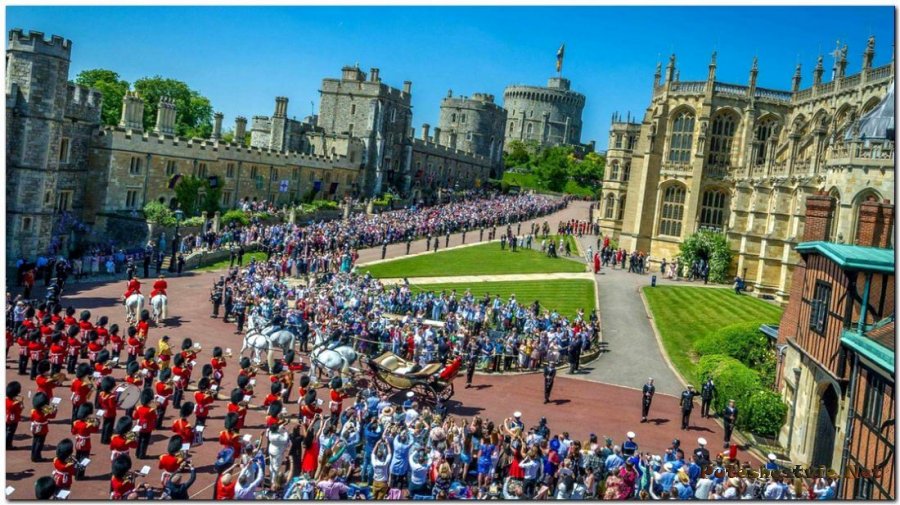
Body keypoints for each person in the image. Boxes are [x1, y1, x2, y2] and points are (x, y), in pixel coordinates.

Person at [6, 381, 24, 449]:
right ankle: (8, 445)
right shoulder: (15, 403)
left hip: (6, 417)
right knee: (10, 433)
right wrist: (21, 403)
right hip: (13, 419)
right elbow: (20, 410)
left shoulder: (6, 399)